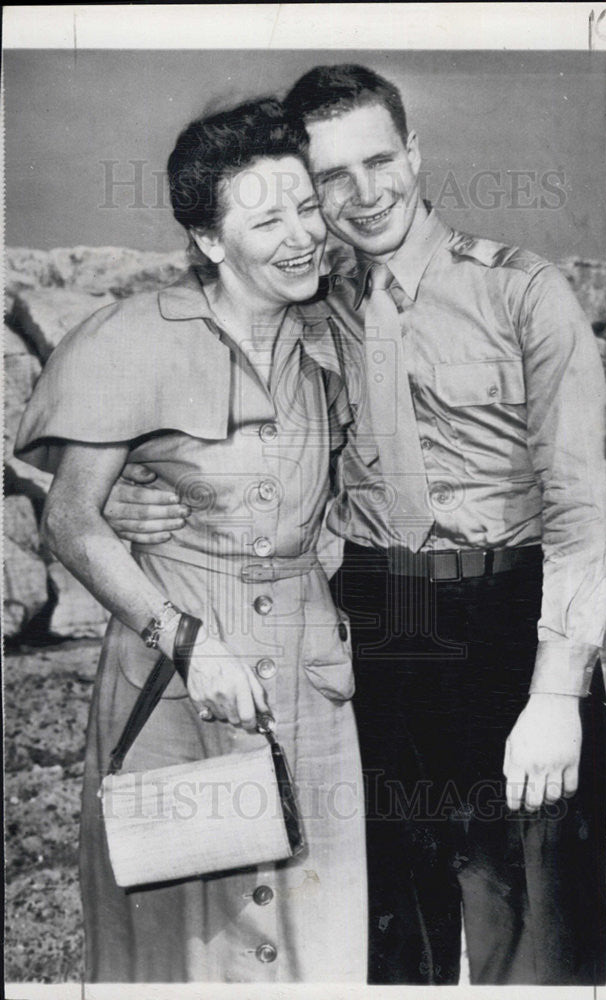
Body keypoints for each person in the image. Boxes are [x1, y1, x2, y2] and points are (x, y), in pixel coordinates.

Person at [104, 65, 606, 986]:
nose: (363, 193)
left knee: (536, 941)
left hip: (507, 627)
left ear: (413, 153)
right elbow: (199, 395)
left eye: (379, 160)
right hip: (368, 636)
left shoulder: (525, 294)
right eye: (330, 177)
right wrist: (131, 487)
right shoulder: (307, 301)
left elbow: (581, 514)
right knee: (382, 941)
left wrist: (558, 693)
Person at [14, 97, 368, 984]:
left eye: (305, 207)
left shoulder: (338, 330)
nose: (301, 236)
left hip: (309, 677)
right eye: (265, 218)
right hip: (176, 677)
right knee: (182, 947)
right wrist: (185, 641)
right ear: (210, 241)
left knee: (315, 937)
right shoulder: (128, 339)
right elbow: (69, 518)